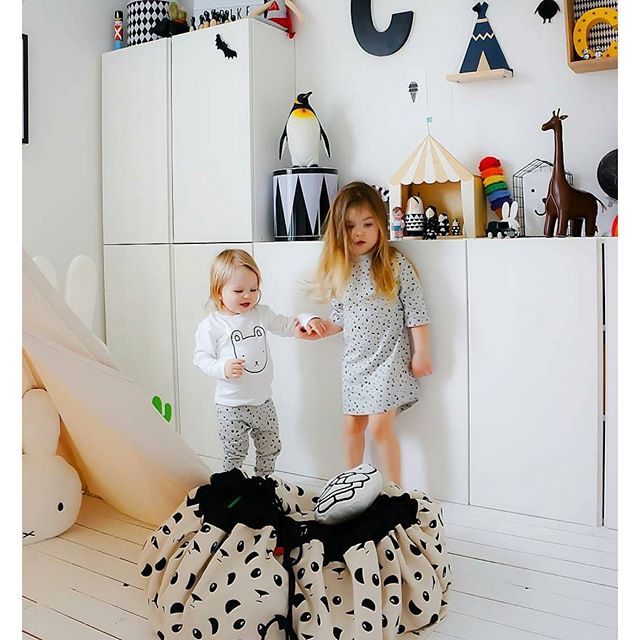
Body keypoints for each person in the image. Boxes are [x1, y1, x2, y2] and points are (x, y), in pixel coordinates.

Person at [311, 182, 432, 484]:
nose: (359, 233)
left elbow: (416, 311)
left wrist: (421, 352)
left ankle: (396, 491)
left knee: (379, 427)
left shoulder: (394, 264)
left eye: (367, 224)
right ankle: (351, 486)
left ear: (381, 224)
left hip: (389, 360)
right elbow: (340, 318)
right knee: (352, 426)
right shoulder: (340, 269)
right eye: (350, 226)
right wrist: (321, 327)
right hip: (356, 363)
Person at [194, 249, 322, 477]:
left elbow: (286, 325)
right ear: (218, 292)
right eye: (239, 291)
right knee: (235, 453)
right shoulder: (212, 325)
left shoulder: (261, 314)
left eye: (253, 290)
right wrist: (222, 368)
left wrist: (307, 319)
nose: (247, 296)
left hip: (263, 402)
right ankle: (230, 489)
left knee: (270, 448)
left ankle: (264, 484)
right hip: (231, 406)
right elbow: (201, 357)